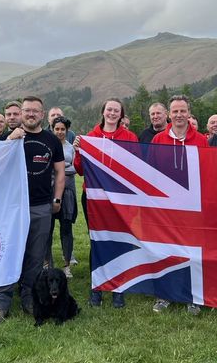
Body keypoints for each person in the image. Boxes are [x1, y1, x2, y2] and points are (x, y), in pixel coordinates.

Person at [0, 96, 65, 325]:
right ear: (21, 113)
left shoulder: (51, 140)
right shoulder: (8, 137)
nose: (31, 114)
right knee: (6, 253)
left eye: (35, 111)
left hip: (41, 206)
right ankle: (0, 304)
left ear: (42, 114)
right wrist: (9, 141)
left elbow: (60, 172)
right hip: (11, 207)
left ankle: (29, 297)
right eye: (27, 110)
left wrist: (57, 198)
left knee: (35, 256)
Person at [73, 98, 138, 309]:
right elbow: (80, 170)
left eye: (116, 110)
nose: (112, 113)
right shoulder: (90, 137)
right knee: (97, 240)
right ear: (103, 112)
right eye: (109, 109)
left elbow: (136, 168)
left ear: (121, 115)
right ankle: (97, 287)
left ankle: (118, 287)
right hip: (94, 198)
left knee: (119, 240)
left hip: (120, 199)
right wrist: (78, 151)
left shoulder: (130, 138)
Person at [150, 95, 207, 315]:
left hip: (193, 208)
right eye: (175, 111)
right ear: (169, 114)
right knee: (166, 250)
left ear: (189, 113)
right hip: (166, 208)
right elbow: (151, 173)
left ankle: (192, 296)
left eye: (183, 111)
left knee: (192, 252)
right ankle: (165, 294)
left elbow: (208, 172)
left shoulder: (200, 140)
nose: (179, 115)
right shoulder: (158, 140)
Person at [45, 116, 78, 279]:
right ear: (52, 129)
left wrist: (61, 169)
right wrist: (63, 168)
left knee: (66, 229)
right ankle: (47, 264)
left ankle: (66, 265)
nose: (59, 132)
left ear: (67, 130)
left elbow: (75, 168)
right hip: (49, 191)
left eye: (62, 129)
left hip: (68, 192)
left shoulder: (71, 148)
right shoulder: (47, 145)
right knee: (47, 229)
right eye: (56, 129)